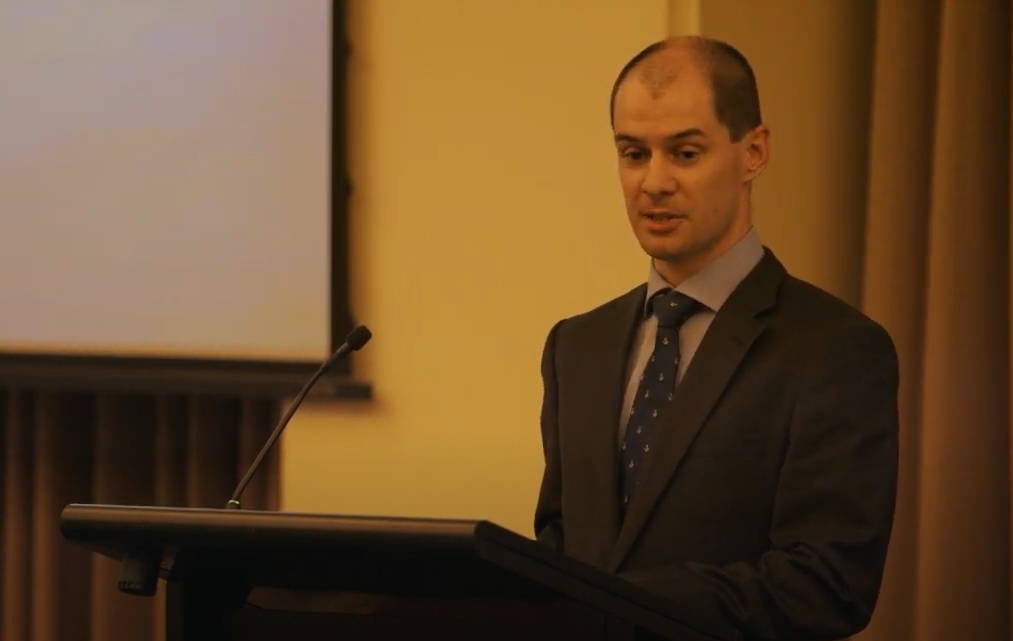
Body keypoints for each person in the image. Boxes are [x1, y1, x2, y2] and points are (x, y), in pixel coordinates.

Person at [533, 36, 899, 641]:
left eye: (685, 153)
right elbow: (557, 545)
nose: (653, 182)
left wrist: (618, 601)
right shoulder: (575, 346)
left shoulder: (836, 350)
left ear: (753, 151)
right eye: (633, 153)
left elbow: (829, 583)